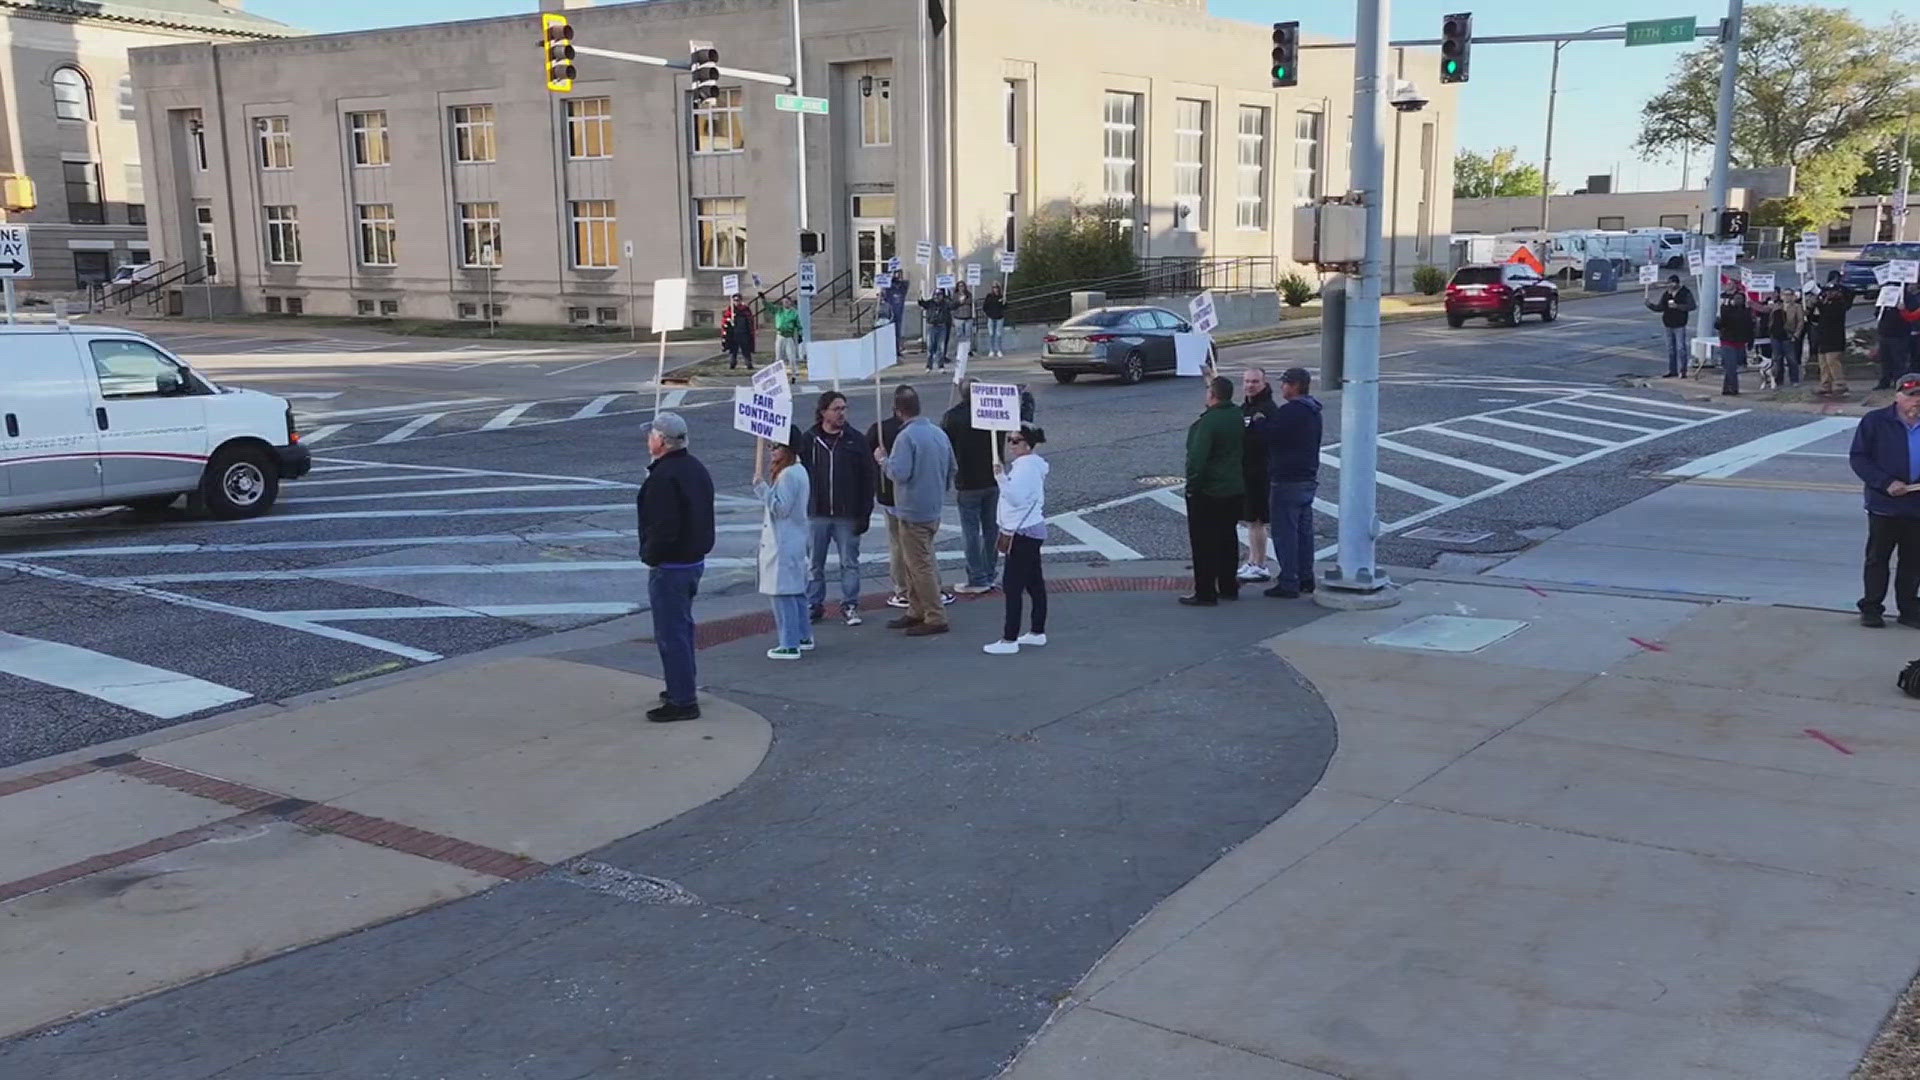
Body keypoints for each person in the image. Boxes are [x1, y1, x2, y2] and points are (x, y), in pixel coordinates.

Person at [636, 412, 715, 722]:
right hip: (693, 560)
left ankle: (683, 699)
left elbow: (663, 528)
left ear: (661, 441)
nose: (648, 439)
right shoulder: (695, 469)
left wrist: (650, 555)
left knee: (672, 633)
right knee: (681, 628)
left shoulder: (664, 477)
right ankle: (682, 686)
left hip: (672, 565)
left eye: (651, 435)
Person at [876, 385, 956, 635]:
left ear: (898, 411)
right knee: (915, 562)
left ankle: (934, 615)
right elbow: (952, 467)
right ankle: (916, 609)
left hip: (912, 509)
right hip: (932, 507)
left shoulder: (906, 437)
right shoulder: (938, 433)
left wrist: (882, 460)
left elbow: (899, 472)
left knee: (919, 566)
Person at [795, 391, 874, 627]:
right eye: (836, 409)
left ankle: (849, 604)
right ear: (823, 412)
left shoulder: (855, 440)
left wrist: (864, 513)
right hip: (817, 512)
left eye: (844, 408)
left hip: (847, 514)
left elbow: (867, 478)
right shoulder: (809, 440)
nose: (841, 413)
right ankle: (814, 604)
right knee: (814, 563)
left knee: (849, 562)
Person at [1848, 374, 1920, 628]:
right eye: (1911, 395)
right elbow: (1859, 458)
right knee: (1878, 558)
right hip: (1885, 505)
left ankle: (1909, 608)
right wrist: (1885, 483)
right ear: (1897, 397)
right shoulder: (1876, 422)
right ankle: (1871, 607)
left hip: (1917, 505)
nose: (1917, 401)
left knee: (1913, 560)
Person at [1253, 367, 1325, 599]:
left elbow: (1271, 437)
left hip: (1287, 480)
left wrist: (1259, 423)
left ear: (1294, 386)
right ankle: (1306, 577)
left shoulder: (1291, 411)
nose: (1282, 387)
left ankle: (1288, 581)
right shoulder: (1313, 410)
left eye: (1285, 383)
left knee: (1286, 534)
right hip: (1307, 477)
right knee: (1304, 533)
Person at [983, 424, 1050, 656]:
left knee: (1013, 587)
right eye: (1009, 439)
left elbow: (1016, 499)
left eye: (1016, 440)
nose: (1011, 444)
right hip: (1029, 531)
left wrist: (1000, 477)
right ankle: (1036, 631)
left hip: (1022, 534)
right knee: (1034, 583)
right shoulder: (1031, 466)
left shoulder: (1025, 469)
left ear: (1028, 444)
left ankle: (1010, 638)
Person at [1180, 375, 1244, 607]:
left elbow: (1197, 460)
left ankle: (1205, 591)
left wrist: (1192, 488)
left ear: (1213, 395)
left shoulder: (1208, 423)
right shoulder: (1236, 415)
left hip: (1210, 491)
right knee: (1228, 538)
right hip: (1234, 487)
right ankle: (1228, 585)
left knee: (1204, 543)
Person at [755, 437, 814, 660]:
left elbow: (781, 508)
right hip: (794, 539)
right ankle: (803, 635)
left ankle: (789, 643)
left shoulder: (789, 475)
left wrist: (763, 490)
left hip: (784, 541)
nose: (771, 451)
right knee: (796, 590)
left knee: (782, 593)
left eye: (776, 447)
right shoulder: (798, 470)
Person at [943, 377, 1000, 595]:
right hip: (992, 477)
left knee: (970, 531)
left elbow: (945, 446)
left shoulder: (954, 417)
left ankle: (976, 577)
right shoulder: (992, 413)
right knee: (991, 529)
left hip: (967, 481)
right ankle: (989, 573)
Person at [1237, 368, 1276, 583]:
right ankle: (1253, 561)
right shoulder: (1248, 407)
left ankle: (1260, 564)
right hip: (1249, 470)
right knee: (1252, 520)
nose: (1250, 385)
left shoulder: (1266, 409)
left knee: (1257, 520)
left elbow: (1264, 440)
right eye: (1246, 381)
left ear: (1264, 382)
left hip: (1260, 472)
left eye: (1254, 381)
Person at [1809, 272, 1854, 396]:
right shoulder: (1825, 305)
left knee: (1832, 362)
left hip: (1834, 338)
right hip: (1823, 337)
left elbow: (1831, 315)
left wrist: (1820, 303)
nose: (1828, 294)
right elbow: (1814, 319)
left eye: (1831, 292)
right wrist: (1812, 307)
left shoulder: (1839, 305)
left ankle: (1840, 384)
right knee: (1823, 364)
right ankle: (1825, 384)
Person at [1646, 274, 1696, 378]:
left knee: (1681, 347)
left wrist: (1678, 306)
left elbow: (1691, 306)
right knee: (1671, 348)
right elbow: (1660, 307)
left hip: (1680, 323)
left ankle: (1683, 370)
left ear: (1677, 283)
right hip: (1668, 323)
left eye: (1671, 283)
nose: (1669, 286)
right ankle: (1672, 370)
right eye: (1668, 284)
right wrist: (1650, 305)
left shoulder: (1685, 293)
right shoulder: (1666, 294)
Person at [1713, 281, 1753, 397]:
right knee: (1731, 367)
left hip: (1740, 342)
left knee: (1734, 366)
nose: (1738, 301)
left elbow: (1750, 327)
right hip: (1728, 341)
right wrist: (1719, 321)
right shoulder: (1726, 310)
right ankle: (1733, 388)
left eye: (1740, 299)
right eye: (1736, 299)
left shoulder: (1746, 312)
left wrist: (1750, 341)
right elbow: (1719, 325)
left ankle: (1726, 388)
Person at [1877, 282, 1920, 389]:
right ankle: (1885, 381)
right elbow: (1878, 312)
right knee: (1885, 360)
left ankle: (1899, 382)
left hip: (1899, 334)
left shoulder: (1906, 297)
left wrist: (1902, 308)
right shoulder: (1884, 296)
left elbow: (1913, 313)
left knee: (1899, 360)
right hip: (1885, 332)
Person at [1772, 288, 1805, 388]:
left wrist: (1796, 335)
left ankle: (1794, 380)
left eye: (1789, 294)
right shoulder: (1777, 306)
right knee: (1777, 359)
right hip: (1776, 336)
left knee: (1792, 359)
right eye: (1785, 295)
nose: (1787, 297)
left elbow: (1800, 322)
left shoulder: (1797, 307)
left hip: (1789, 336)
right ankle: (1778, 380)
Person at [720, 294, 757, 371]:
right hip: (733, 334)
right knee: (733, 350)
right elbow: (725, 320)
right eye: (735, 300)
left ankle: (748, 364)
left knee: (746, 350)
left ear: (741, 300)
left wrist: (751, 331)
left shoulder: (745, 309)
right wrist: (729, 320)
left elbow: (750, 320)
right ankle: (732, 364)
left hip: (744, 333)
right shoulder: (730, 310)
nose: (736, 302)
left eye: (738, 300)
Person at [920, 289, 954, 371]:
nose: (937, 297)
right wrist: (920, 295)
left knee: (941, 347)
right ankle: (929, 365)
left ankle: (940, 365)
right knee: (930, 347)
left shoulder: (945, 304)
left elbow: (953, 306)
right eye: (936, 295)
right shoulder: (930, 303)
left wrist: (958, 301)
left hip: (941, 326)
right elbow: (922, 303)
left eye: (939, 295)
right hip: (931, 326)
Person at [774, 296, 804, 368]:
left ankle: (794, 371)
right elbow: (770, 307)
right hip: (780, 335)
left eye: (787, 302)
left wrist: (800, 334)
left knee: (791, 355)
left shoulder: (794, 313)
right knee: (778, 355)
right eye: (784, 302)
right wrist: (763, 300)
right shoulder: (779, 311)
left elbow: (798, 324)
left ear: (790, 302)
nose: (785, 304)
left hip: (789, 336)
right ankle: (779, 371)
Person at [886, 272, 910, 354]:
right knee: (890, 333)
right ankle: (892, 351)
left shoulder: (902, 289)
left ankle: (897, 350)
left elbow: (906, 283)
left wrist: (900, 277)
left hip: (899, 313)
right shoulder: (889, 289)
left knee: (897, 333)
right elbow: (885, 293)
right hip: (890, 313)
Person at [982, 283, 1008, 357]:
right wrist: (987, 313)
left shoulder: (1001, 296)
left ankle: (999, 350)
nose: (995, 289)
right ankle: (991, 350)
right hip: (991, 317)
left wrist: (1004, 302)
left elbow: (1005, 307)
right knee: (991, 334)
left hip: (999, 317)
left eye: (997, 288)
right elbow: (985, 306)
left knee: (998, 334)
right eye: (994, 288)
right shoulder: (989, 296)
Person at [952, 282, 976, 358]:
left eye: (962, 286)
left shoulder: (969, 294)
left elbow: (970, 301)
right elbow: (954, 304)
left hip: (968, 317)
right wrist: (960, 301)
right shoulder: (955, 295)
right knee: (959, 335)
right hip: (958, 317)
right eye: (960, 286)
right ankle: (959, 350)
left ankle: (968, 350)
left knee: (968, 335)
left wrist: (964, 299)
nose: (961, 287)